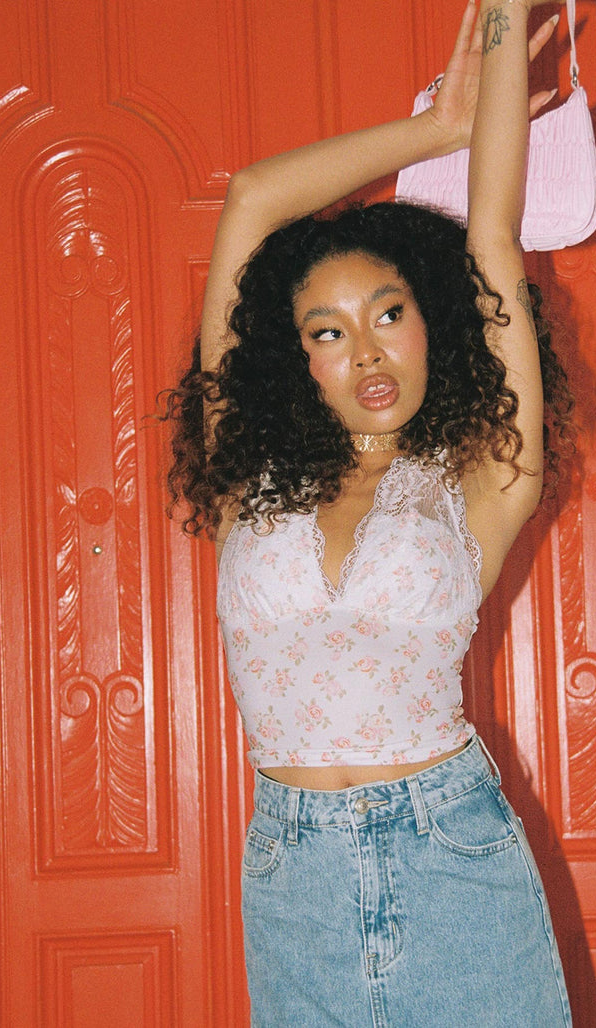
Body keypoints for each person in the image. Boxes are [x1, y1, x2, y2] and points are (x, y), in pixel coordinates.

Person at [165, 1, 575, 1023]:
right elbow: (253, 199)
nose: (367, 351)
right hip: (293, 872)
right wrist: (435, 129)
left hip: (455, 853)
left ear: (433, 322)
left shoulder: (482, 480)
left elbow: (490, 235)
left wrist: (502, 21)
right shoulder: (245, 475)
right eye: (327, 330)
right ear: (295, 358)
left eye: (389, 314)